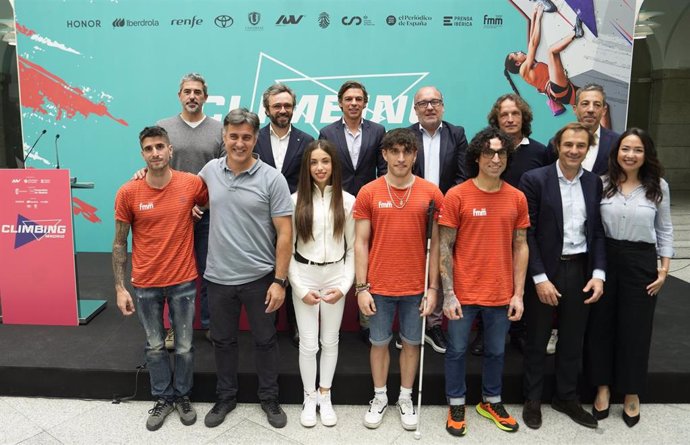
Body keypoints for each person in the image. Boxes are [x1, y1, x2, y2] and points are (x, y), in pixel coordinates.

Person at [198, 108, 292, 429]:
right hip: (218, 278)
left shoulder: (272, 178)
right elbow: (181, 191)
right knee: (223, 341)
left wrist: (279, 281)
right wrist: (144, 175)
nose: (239, 143)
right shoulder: (209, 171)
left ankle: (269, 397)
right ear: (224, 137)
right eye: (233, 136)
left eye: (246, 137)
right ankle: (226, 396)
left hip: (260, 278)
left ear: (255, 139)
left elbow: (285, 235)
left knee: (265, 341)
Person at [113, 126, 208, 431]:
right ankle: (163, 397)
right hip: (145, 283)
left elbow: (205, 202)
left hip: (182, 280)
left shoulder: (192, 184)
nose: (155, 153)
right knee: (155, 346)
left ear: (170, 150)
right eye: (149, 148)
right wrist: (119, 287)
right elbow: (119, 243)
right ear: (142, 154)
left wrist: (197, 210)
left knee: (183, 346)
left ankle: (182, 395)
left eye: (159, 147)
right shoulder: (128, 191)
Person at [440, 127, 530, 436]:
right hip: (463, 293)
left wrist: (518, 294)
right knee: (456, 351)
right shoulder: (457, 195)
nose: (495, 158)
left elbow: (521, 246)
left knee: (496, 352)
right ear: (477, 157)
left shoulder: (517, 198)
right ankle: (456, 402)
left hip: (500, 293)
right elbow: (444, 246)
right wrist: (448, 294)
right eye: (489, 152)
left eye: (501, 153)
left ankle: (491, 400)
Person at [353, 128, 442, 431]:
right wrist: (361, 287)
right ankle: (379, 397)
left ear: (415, 155)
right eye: (395, 152)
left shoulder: (431, 193)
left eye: (407, 152)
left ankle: (405, 397)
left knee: (411, 344)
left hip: (415, 287)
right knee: (378, 343)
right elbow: (361, 243)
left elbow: (437, 245)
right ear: (385, 154)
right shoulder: (369, 192)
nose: (401, 158)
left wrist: (433, 289)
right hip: (378, 286)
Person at [519, 122, 606, 430]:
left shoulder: (594, 182)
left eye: (580, 146)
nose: (573, 150)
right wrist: (539, 277)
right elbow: (526, 233)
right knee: (538, 337)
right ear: (557, 145)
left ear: (588, 149)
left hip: (580, 268)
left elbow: (596, 231)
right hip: (546, 268)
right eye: (568, 144)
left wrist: (598, 273)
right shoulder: (535, 180)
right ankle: (533, 398)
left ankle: (566, 396)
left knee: (572, 337)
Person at [586, 128, 674, 427]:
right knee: (601, 325)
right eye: (625, 148)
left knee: (635, 329)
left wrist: (663, 270)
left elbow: (665, 230)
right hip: (605, 258)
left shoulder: (657, 186)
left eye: (637, 150)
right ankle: (602, 387)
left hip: (641, 262)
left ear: (646, 154)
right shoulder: (602, 183)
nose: (630, 155)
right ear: (616, 151)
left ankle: (632, 391)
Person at [472, 93, 550, 356]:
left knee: (523, 279)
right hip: (491, 226)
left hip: (527, 227)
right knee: (488, 278)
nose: (510, 118)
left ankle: (519, 331)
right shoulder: (486, 149)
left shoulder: (540, 151)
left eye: (515, 113)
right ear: (496, 119)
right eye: (504, 114)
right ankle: (483, 333)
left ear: (524, 117)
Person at [288, 140, 355, 427]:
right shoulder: (293, 201)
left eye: (325, 161)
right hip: (304, 275)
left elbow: (352, 250)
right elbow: (286, 250)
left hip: (336, 277)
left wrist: (344, 286)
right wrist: (299, 289)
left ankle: (325, 394)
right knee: (308, 344)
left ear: (333, 165)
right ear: (306, 167)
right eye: (314, 162)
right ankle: (309, 396)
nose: (319, 167)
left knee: (330, 340)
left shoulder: (349, 201)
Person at [156, 73, 224, 346]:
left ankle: (209, 325)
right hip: (173, 216)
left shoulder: (219, 129)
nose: (192, 96)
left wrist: (202, 204)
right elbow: (158, 168)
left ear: (205, 97)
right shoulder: (163, 127)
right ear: (179, 95)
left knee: (210, 272)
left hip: (209, 214)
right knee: (174, 275)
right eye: (187, 91)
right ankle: (174, 328)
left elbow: (222, 175)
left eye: (197, 92)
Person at [319, 80, 386, 343]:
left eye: (359, 99)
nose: (354, 103)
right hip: (339, 205)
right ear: (340, 103)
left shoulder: (378, 131)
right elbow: (324, 170)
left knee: (367, 260)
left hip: (370, 207)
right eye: (349, 99)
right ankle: (329, 323)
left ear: (365, 102)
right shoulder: (327, 132)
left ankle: (367, 322)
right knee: (335, 257)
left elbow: (383, 169)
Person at [404, 85, 468, 354]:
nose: (429, 107)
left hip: (446, 212)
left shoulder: (457, 134)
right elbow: (394, 173)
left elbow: (463, 175)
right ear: (415, 109)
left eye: (435, 102)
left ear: (443, 106)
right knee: (411, 265)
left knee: (440, 267)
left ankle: (433, 325)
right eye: (423, 103)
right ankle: (409, 326)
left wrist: (445, 206)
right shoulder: (404, 136)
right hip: (409, 211)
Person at [254, 83, 315, 347]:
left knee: (294, 272)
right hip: (257, 220)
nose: (282, 110)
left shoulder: (307, 141)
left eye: (287, 106)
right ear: (267, 109)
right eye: (277, 105)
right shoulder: (254, 138)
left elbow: (311, 182)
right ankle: (266, 327)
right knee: (265, 273)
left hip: (294, 218)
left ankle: (296, 326)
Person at [504, 3, 583, 116]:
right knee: (552, 51)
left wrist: (534, 13)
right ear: (517, 63)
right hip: (556, 90)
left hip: (564, 93)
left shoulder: (529, 65)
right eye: (517, 54)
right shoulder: (523, 71)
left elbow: (532, 40)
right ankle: (576, 33)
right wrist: (539, 16)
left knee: (598, 104)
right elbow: (533, 45)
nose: (520, 52)